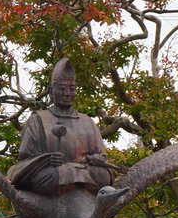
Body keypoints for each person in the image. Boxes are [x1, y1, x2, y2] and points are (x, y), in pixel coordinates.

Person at [7, 58, 115, 196]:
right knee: (51, 176)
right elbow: (26, 157)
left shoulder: (87, 121)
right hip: (54, 173)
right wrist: (47, 159)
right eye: (62, 88)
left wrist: (97, 159)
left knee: (103, 175)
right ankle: (72, 181)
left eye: (72, 88)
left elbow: (101, 154)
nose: (67, 93)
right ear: (51, 92)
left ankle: (75, 182)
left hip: (84, 171)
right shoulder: (39, 120)